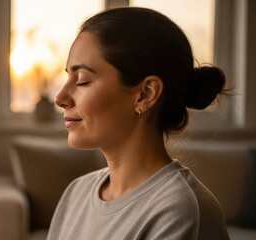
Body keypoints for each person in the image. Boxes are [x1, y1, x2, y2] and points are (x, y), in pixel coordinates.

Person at [47, 7, 230, 240]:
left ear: (145, 94)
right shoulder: (76, 193)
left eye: (82, 80)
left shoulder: (178, 212)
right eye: (68, 77)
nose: (60, 98)